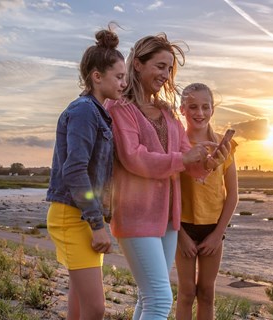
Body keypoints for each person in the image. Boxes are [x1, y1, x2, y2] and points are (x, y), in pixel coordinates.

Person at [104, 33, 228, 320]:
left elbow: (188, 162)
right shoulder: (121, 108)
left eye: (169, 68)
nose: (165, 74)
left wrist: (209, 164)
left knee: (148, 298)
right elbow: (133, 158)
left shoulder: (167, 112)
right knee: (161, 299)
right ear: (137, 64)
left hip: (168, 220)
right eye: (159, 66)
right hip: (136, 214)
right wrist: (183, 159)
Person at [45, 24, 126, 320]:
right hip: (73, 217)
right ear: (97, 76)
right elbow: (75, 170)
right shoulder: (83, 112)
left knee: (79, 306)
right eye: (118, 76)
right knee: (95, 308)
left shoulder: (99, 113)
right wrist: (96, 224)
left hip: (80, 216)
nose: (123, 83)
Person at [175, 83, 239, 320]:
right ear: (182, 109)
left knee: (206, 292)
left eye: (205, 107)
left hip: (213, 228)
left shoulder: (225, 145)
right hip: (183, 227)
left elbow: (232, 193)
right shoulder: (176, 144)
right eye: (193, 107)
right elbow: (169, 194)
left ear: (213, 110)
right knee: (186, 292)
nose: (199, 113)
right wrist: (180, 234)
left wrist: (218, 234)